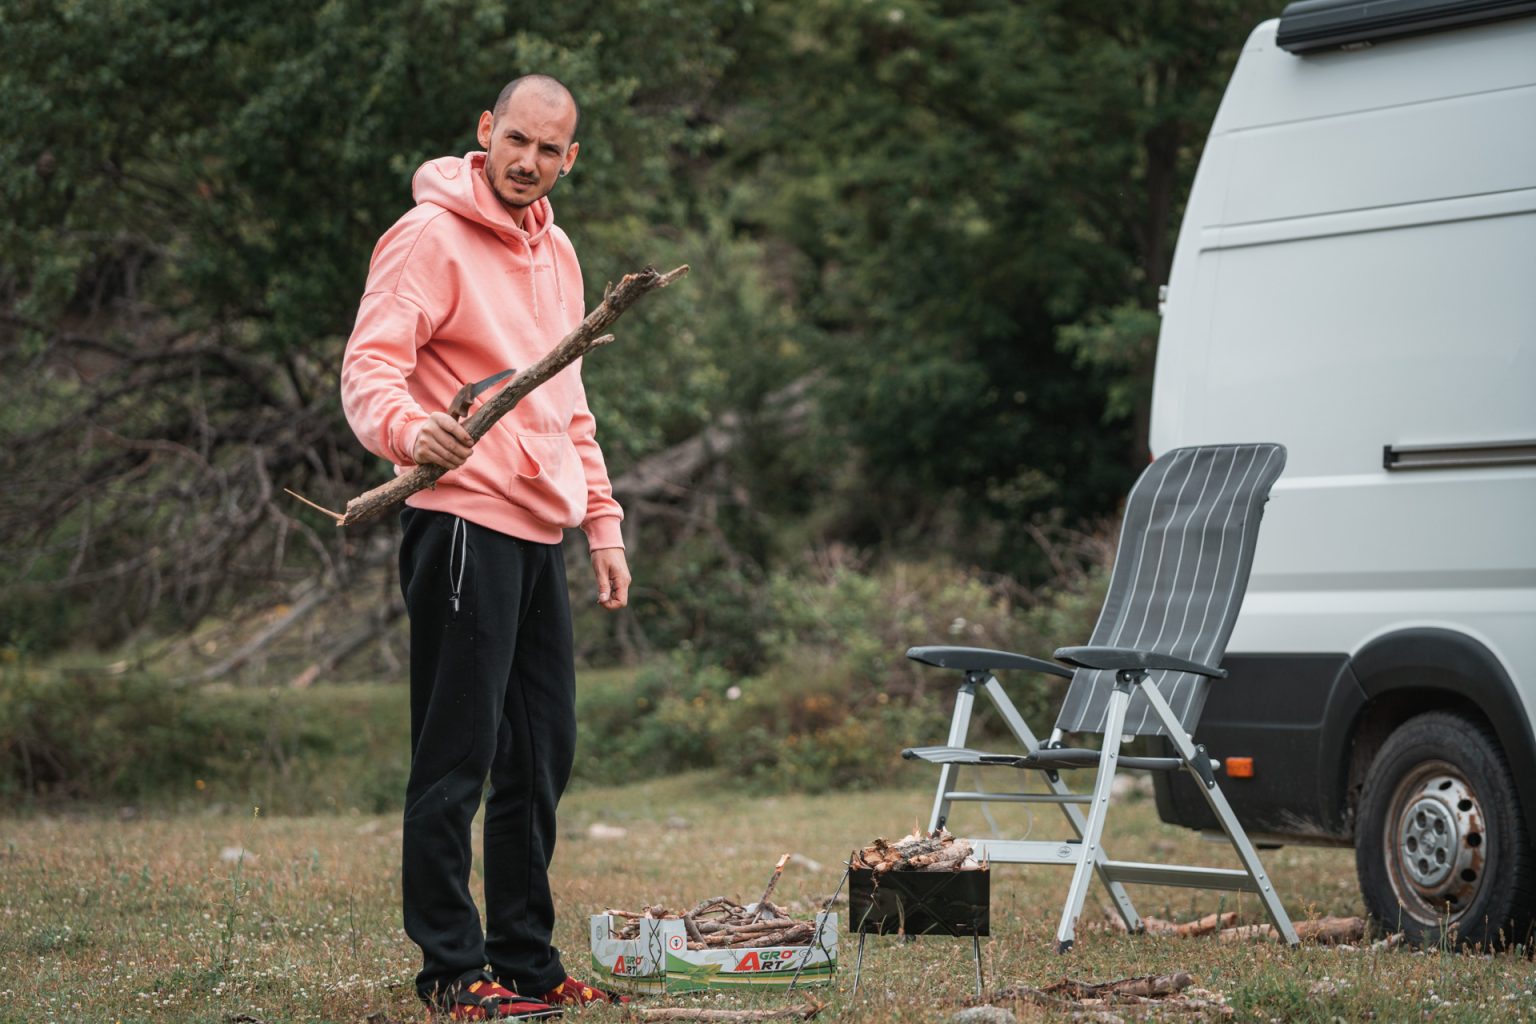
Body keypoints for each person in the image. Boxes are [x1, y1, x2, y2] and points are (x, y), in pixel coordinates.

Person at [341, 74, 631, 1021]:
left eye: (549, 150)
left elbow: (569, 405)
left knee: (542, 755)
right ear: (485, 131)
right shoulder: (429, 234)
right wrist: (407, 429)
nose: (528, 162)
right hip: (462, 518)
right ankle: (451, 972)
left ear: (569, 159)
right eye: (516, 140)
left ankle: (525, 962)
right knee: (458, 753)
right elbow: (370, 367)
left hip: (540, 528)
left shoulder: (560, 253)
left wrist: (601, 523)